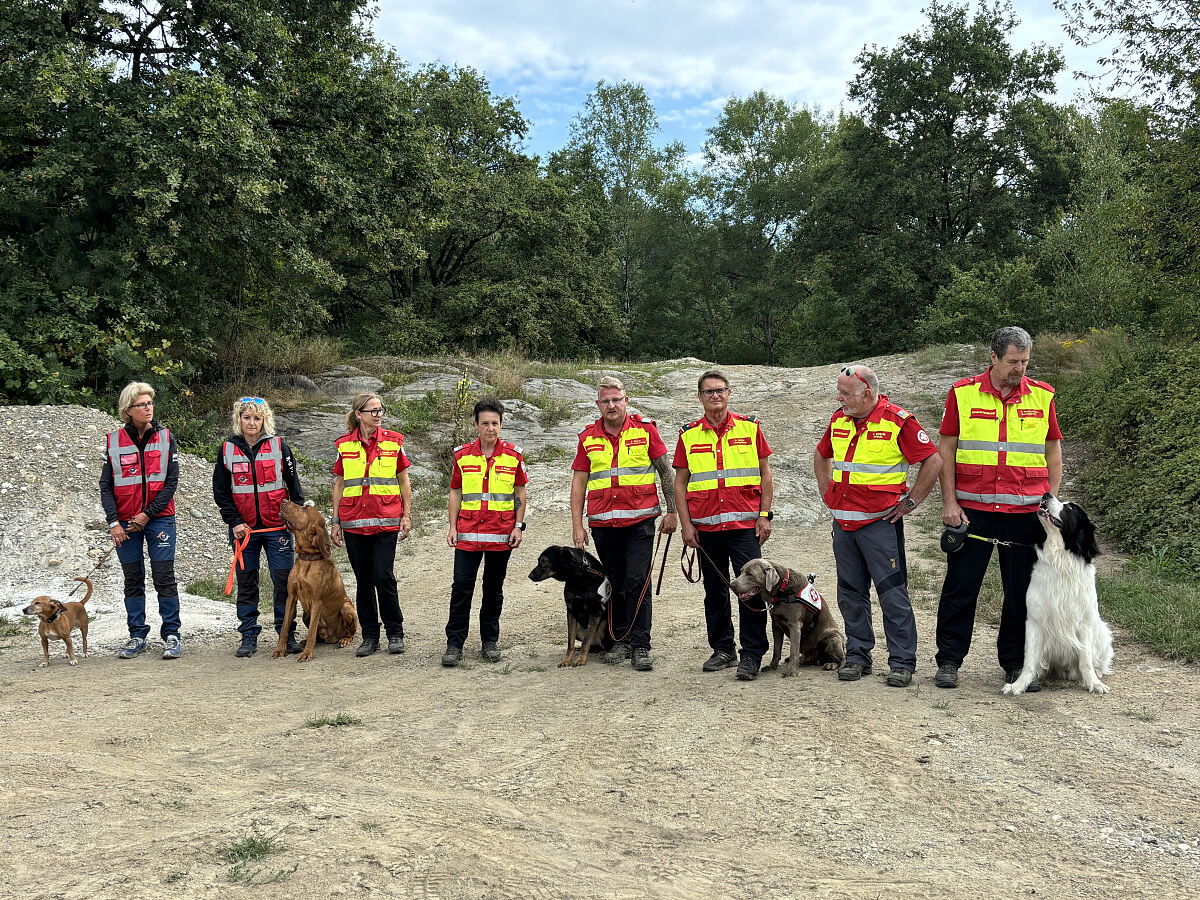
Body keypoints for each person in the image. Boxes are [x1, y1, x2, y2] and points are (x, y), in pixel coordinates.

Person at [934, 326, 1063, 691]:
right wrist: (949, 502)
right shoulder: (962, 393)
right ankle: (949, 661)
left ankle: (1016, 664)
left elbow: (1053, 453)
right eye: (1012, 362)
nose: (1019, 368)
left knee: (1022, 593)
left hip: (1025, 515)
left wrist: (1048, 506)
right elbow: (946, 450)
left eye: (1024, 361)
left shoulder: (1043, 396)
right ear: (993, 357)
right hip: (973, 511)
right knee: (961, 588)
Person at [814, 365, 942, 688]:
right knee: (851, 593)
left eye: (845, 393)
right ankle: (857, 656)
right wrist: (826, 490)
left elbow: (933, 460)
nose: (839, 398)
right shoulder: (839, 419)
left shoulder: (898, 420)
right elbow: (821, 455)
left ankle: (901, 662)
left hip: (879, 526)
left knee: (891, 593)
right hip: (844, 526)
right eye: (839, 392)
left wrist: (911, 501)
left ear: (867, 392)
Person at [570, 376, 677, 672]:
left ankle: (641, 645)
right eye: (606, 401)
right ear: (598, 405)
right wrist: (578, 526)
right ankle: (620, 641)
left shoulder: (646, 431)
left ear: (626, 401)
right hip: (603, 524)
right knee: (614, 583)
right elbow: (579, 484)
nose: (611, 405)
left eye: (616, 399)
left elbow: (666, 473)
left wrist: (672, 511)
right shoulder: (588, 437)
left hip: (639, 523)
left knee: (637, 582)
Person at [674, 369, 774, 682]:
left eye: (720, 390)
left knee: (752, 591)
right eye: (708, 392)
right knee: (714, 591)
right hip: (705, 530)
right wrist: (686, 526)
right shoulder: (688, 434)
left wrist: (765, 514)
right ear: (700, 397)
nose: (715, 396)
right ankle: (723, 649)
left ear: (729, 393)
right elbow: (680, 484)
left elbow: (765, 474)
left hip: (744, 527)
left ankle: (752, 655)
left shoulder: (749, 428)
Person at [212, 396, 306, 658]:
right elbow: (221, 492)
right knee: (247, 581)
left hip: (277, 529)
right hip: (245, 531)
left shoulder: (279, 447)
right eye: (246, 417)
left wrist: (292, 521)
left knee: (284, 581)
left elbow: (294, 489)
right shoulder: (227, 449)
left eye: (256, 418)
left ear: (265, 420)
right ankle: (248, 634)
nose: (251, 423)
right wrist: (234, 522)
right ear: (238, 420)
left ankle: (286, 633)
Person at [441, 398, 528, 667]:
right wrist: (452, 526)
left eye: (495, 423)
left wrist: (518, 525)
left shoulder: (513, 456)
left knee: (493, 590)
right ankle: (454, 644)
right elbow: (456, 491)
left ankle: (489, 641)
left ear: (501, 424)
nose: (491, 428)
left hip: (501, 535)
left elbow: (520, 492)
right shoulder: (462, 455)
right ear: (476, 425)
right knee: (461, 589)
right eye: (485, 423)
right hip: (467, 535)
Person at [100, 381, 183, 660]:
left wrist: (147, 515)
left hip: (159, 518)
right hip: (125, 523)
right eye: (142, 404)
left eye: (150, 403)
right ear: (128, 410)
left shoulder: (166, 437)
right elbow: (106, 486)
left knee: (163, 577)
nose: (148, 408)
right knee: (133, 578)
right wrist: (114, 522)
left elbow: (171, 483)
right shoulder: (113, 442)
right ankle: (137, 635)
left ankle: (172, 634)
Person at [331, 392, 412, 657]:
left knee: (383, 577)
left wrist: (407, 515)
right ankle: (369, 637)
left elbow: (403, 482)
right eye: (372, 411)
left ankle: (395, 633)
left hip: (385, 520)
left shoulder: (393, 442)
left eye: (380, 410)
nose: (378, 415)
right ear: (359, 415)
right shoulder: (345, 445)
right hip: (353, 522)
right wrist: (335, 521)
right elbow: (340, 485)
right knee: (364, 581)